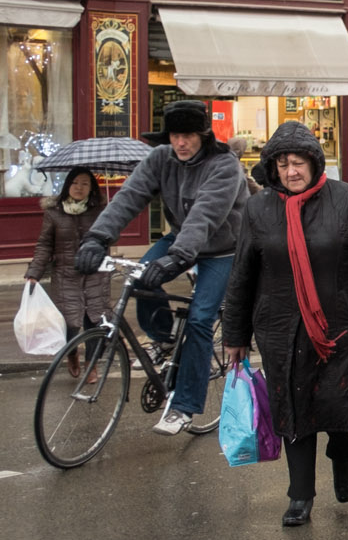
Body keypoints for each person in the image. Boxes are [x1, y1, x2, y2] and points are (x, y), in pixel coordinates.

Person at [220, 122, 348, 527]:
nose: (291, 171)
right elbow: (241, 275)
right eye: (283, 163)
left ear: (314, 163)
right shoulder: (258, 210)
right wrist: (235, 334)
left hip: (336, 329)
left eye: (299, 162)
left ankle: (342, 460)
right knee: (292, 409)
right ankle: (300, 495)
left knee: (337, 407)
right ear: (272, 168)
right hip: (278, 329)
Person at [74, 99, 249, 435]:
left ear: (202, 136)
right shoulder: (160, 158)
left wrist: (178, 258)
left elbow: (205, 215)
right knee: (141, 275)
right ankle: (164, 339)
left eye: (187, 136)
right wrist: (97, 238)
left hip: (224, 250)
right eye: (174, 136)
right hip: (181, 239)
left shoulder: (223, 165)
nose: (180, 143)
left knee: (200, 320)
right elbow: (129, 197)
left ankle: (183, 406)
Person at [24, 167, 112, 380]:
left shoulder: (101, 210)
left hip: (95, 272)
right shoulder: (54, 213)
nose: (79, 188)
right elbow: (45, 244)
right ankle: (72, 352)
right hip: (65, 274)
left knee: (96, 321)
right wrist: (34, 272)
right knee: (70, 322)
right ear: (67, 186)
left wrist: (110, 225)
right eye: (75, 183)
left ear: (91, 188)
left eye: (84, 184)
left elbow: (110, 239)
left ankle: (92, 364)